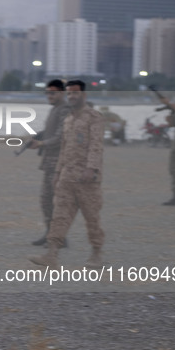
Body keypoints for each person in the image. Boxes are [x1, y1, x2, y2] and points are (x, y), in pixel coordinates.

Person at [29, 80, 105, 269]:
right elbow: (64, 148)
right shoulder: (68, 119)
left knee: (92, 217)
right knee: (60, 216)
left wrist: (91, 168)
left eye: (75, 93)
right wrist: (57, 172)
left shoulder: (94, 117)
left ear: (84, 95)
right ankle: (52, 255)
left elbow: (97, 145)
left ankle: (96, 254)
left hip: (87, 178)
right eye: (69, 94)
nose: (72, 97)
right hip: (66, 176)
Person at [28, 79, 70, 246]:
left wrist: (42, 143)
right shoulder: (56, 109)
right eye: (47, 93)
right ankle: (50, 233)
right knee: (46, 199)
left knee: (56, 200)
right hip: (50, 161)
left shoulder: (65, 109)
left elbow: (61, 135)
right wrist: (38, 136)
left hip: (59, 162)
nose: (49, 96)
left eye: (53, 93)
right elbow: (51, 130)